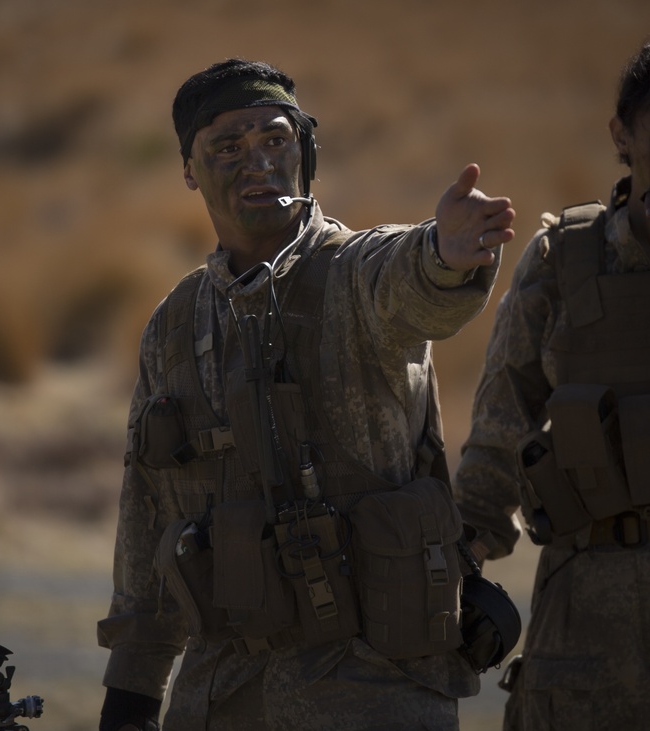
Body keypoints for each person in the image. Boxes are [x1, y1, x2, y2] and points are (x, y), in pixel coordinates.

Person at [96, 58, 515, 731]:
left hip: (374, 691)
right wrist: (132, 696)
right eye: (228, 147)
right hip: (222, 693)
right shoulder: (174, 325)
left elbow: (413, 282)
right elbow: (147, 516)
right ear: (188, 169)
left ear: (306, 148)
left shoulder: (355, 273)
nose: (258, 163)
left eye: (276, 139)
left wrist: (447, 256)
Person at [452, 40, 650, 731]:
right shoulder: (563, 261)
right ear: (622, 134)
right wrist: (464, 557)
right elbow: (501, 429)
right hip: (586, 618)